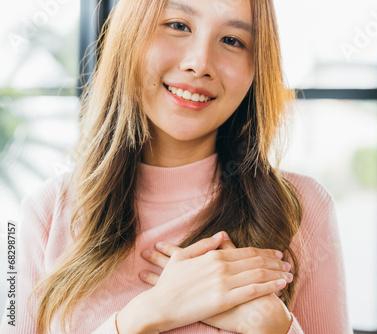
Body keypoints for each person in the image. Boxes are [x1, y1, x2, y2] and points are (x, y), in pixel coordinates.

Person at [0, 0, 352, 333]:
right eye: (178, 25)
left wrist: (273, 324)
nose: (200, 63)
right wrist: (147, 314)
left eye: (232, 40)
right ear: (130, 35)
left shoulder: (302, 208)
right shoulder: (42, 213)